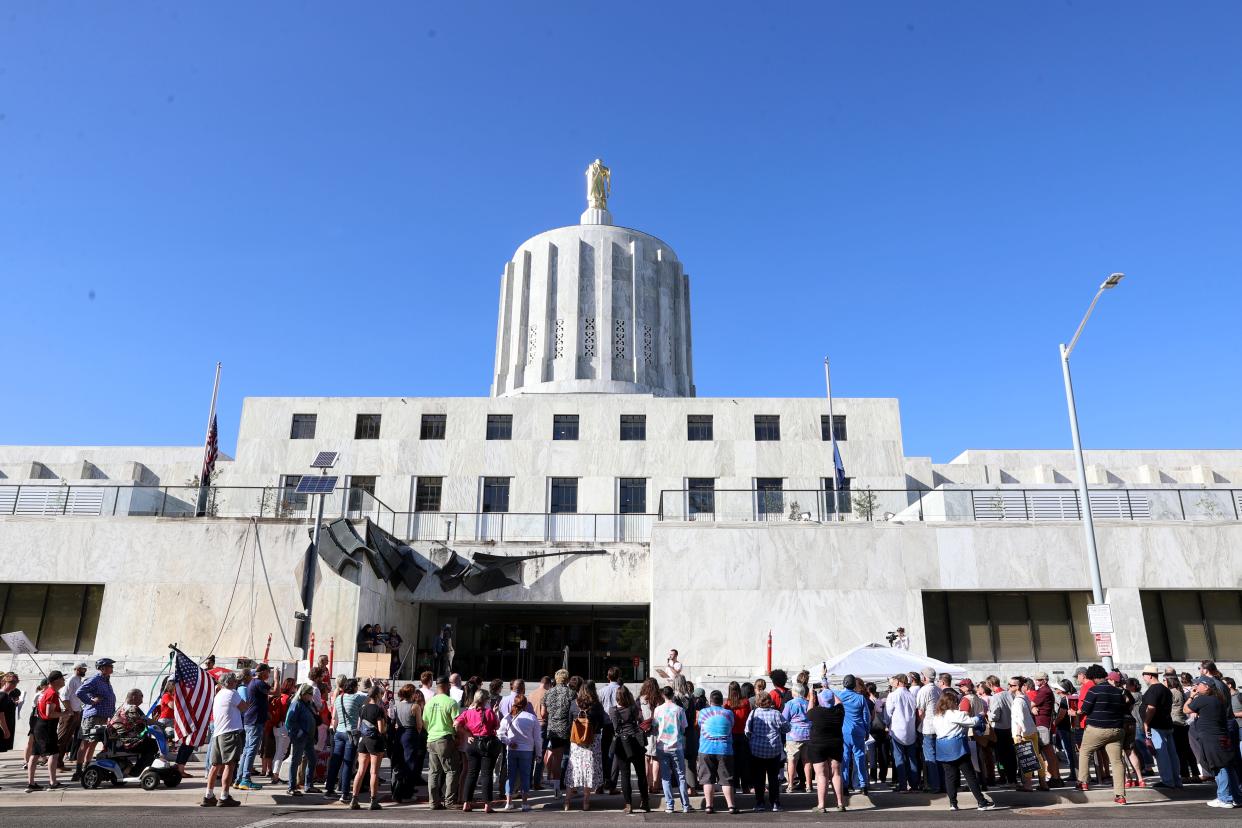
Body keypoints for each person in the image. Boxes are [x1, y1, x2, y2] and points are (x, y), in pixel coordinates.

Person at [930, 690, 996, 811]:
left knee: (950, 777)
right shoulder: (955, 713)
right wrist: (980, 716)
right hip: (957, 747)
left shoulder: (937, 716)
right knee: (970, 776)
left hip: (942, 747)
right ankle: (981, 802)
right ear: (953, 702)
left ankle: (953, 803)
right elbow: (971, 722)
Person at [1186, 676, 1242, 808]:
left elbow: (1186, 710)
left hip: (1212, 739)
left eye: (1199, 684)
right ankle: (1236, 797)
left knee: (1219, 767)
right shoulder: (1218, 700)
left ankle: (1225, 798)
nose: (1196, 687)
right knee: (1228, 766)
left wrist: (1191, 696)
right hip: (1222, 736)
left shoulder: (1202, 699)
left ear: (1206, 687)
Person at [1078, 666, 1128, 805]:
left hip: (1096, 729)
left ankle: (1083, 782)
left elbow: (1085, 710)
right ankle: (1120, 795)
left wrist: (1076, 712)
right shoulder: (1118, 692)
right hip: (1116, 730)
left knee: (1084, 752)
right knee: (1117, 762)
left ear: (1093, 677)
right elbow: (1124, 709)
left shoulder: (1093, 690)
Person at [203, 672, 248, 807]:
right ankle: (224, 796)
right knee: (230, 764)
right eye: (234, 681)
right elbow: (244, 707)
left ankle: (209, 795)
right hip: (230, 732)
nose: (236, 683)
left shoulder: (218, 695)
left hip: (218, 733)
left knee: (215, 765)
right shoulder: (231, 693)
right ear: (229, 683)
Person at [456, 689, 500, 812]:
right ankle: (487, 804)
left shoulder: (468, 713)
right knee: (486, 774)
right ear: (486, 700)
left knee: (471, 773)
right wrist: (495, 713)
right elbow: (497, 726)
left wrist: (467, 734)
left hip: (473, 742)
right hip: (487, 743)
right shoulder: (490, 712)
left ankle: (466, 802)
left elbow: (456, 724)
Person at [608, 684, 650, 814]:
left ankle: (628, 804)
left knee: (625, 775)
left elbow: (615, 727)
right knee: (641, 774)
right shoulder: (633, 708)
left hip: (621, 743)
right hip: (636, 742)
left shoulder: (613, 710)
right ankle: (645, 801)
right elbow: (639, 720)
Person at [25, 670, 68, 793]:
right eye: (62, 678)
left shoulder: (45, 692)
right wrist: (64, 713)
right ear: (55, 681)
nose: (64, 680)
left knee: (35, 755)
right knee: (54, 754)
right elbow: (50, 714)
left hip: (38, 725)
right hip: (46, 726)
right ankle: (53, 783)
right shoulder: (52, 693)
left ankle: (31, 783)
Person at [565, 683, 606, 811]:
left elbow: (568, 721)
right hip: (592, 741)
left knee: (574, 769)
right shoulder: (597, 705)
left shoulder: (573, 704)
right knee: (589, 769)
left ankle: (567, 802)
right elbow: (602, 723)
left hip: (576, 742)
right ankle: (586, 802)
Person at [697, 689, 738, 814]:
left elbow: (700, 725)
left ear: (710, 701)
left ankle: (709, 806)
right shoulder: (729, 713)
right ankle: (731, 806)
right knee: (726, 779)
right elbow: (731, 726)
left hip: (706, 748)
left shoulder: (703, 712)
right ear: (722, 701)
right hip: (724, 749)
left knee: (707, 778)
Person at [74, 657, 116, 780]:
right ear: (102, 668)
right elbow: (79, 692)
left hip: (103, 716)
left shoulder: (106, 680)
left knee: (93, 742)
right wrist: (91, 701)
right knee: (85, 742)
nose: (112, 668)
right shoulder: (95, 679)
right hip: (93, 715)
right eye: (109, 666)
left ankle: (86, 767)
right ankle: (78, 770)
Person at [807, 683, 846, 812]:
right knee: (836, 773)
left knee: (821, 774)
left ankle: (821, 805)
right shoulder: (839, 711)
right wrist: (828, 689)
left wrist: (813, 697)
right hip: (835, 744)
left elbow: (808, 712)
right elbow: (838, 701)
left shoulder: (815, 712)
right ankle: (840, 803)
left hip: (818, 745)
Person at [745, 689, 786, 811]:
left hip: (757, 750)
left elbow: (747, 731)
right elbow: (787, 728)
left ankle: (760, 802)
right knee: (773, 778)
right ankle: (775, 803)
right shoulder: (776, 714)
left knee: (759, 778)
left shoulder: (753, 713)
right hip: (774, 750)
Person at [1139, 665, 1180, 789]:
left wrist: (1146, 723)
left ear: (1149, 675)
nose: (1143, 678)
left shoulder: (1154, 689)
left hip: (1157, 726)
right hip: (1166, 724)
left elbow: (1151, 708)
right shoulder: (1165, 689)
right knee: (1171, 754)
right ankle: (1176, 780)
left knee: (1161, 754)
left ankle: (1168, 781)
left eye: (1144, 675)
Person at [348, 685, 387, 810]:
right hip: (375, 741)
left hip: (363, 740)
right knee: (374, 772)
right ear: (377, 695)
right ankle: (373, 800)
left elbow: (359, 726)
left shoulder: (363, 708)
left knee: (360, 771)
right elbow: (381, 729)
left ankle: (354, 799)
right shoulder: (378, 709)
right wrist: (387, 727)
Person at [426, 675, 462, 810]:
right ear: (447, 686)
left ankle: (433, 802)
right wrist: (457, 736)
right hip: (445, 738)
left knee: (434, 772)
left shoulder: (430, 702)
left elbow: (425, 722)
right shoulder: (451, 702)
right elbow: (456, 723)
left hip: (431, 738)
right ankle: (450, 801)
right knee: (451, 770)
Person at [324, 677, 363, 802]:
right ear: (355, 687)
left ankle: (329, 789)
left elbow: (334, 717)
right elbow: (370, 697)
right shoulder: (356, 697)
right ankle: (345, 793)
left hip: (338, 732)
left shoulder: (338, 698)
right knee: (348, 764)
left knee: (335, 762)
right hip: (350, 733)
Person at [497, 692, 537, 812]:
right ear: (525, 705)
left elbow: (499, 733)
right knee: (525, 776)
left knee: (511, 776)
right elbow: (537, 739)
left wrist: (508, 742)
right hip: (527, 750)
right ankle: (524, 803)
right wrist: (539, 753)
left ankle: (508, 803)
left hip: (512, 750)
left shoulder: (508, 717)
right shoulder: (531, 718)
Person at [235, 663, 271, 791]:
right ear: (262, 672)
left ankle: (239, 778)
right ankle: (245, 779)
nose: (270, 674)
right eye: (268, 671)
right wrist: (277, 679)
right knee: (251, 750)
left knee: (247, 750)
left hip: (250, 720)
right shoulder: (258, 683)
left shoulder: (251, 684)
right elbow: (276, 692)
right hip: (255, 721)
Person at [540, 669, 573, 798]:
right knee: (570, 758)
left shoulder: (549, 693)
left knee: (556, 759)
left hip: (554, 729)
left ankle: (556, 788)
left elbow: (543, 714)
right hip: (568, 729)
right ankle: (571, 787)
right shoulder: (571, 693)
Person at [1011, 676, 1047, 791]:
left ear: (1018, 687)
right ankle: (1043, 783)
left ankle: (1028, 785)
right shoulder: (1025, 697)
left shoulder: (1017, 701)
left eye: (1012, 685)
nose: (1009, 687)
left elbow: (1019, 720)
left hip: (1023, 732)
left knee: (1027, 759)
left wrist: (1018, 734)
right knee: (1037, 756)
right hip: (1032, 730)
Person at [837, 674, 871, 792]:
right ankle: (863, 784)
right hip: (858, 731)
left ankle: (845, 785)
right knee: (860, 758)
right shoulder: (860, 698)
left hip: (844, 732)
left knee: (845, 759)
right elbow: (867, 717)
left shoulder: (839, 696)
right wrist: (867, 731)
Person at [392, 683, 425, 803]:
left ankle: (396, 790)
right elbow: (419, 725)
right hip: (410, 733)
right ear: (411, 693)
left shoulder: (397, 705)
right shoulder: (415, 706)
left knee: (399, 763)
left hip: (399, 733)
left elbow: (395, 721)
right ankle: (407, 792)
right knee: (410, 763)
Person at [885, 673, 918, 793]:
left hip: (897, 730)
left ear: (899, 682)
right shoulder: (911, 695)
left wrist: (887, 724)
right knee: (912, 759)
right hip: (910, 730)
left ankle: (903, 785)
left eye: (894, 681)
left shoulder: (893, 695)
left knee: (899, 759)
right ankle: (914, 785)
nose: (892, 682)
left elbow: (888, 713)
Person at [282, 684, 317, 796]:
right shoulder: (296, 704)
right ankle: (291, 787)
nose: (312, 696)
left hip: (309, 737)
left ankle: (308, 785)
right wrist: (297, 732)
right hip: (300, 737)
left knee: (312, 760)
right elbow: (288, 722)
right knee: (295, 761)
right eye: (310, 694)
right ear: (304, 694)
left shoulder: (308, 704)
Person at [1030, 672, 1062, 785]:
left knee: (1048, 752)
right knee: (1048, 752)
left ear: (1044, 680)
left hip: (1042, 724)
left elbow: (1031, 704)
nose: (1036, 681)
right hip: (1043, 723)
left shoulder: (1044, 691)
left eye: (1038, 680)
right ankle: (1056, 778)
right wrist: (1033, 708)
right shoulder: (1045, 690)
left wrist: (1032, 708)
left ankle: (1056, 778)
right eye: (1035, 679)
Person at [916, 670, 945, 793]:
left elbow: (921, 712)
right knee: (939, 758)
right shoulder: (939, 689)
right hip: (939, 727)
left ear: (925, 677)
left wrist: (919, 722)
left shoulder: (924, 690)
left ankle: (935, 785)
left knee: (930, 758)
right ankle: (942, 784)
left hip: (928, 727)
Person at [781, 683, 812, 796]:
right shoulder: (808, 703)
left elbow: (784, 719)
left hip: (793, 735)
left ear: (794, 692)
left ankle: (790, 785)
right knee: (807, 760)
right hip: (808, 734)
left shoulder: (790, 704)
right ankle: (809, 785)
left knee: (792, 761)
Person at [597, 666, 622, 795]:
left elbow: (598, 707)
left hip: (606, 725)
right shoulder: (621, 690)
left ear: (608, 677)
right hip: (617, 725)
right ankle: (611, 785)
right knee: (616, 755)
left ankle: (600, 784)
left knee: (604, 754)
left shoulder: (602, 691)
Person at [57, 662, 86, 770]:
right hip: (69, 714)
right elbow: (64, 696)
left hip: (76, 712)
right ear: (77, 669)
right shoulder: (71, 680)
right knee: (62, 738)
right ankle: (56, 762)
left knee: (67, 739)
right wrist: (69, 710)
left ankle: (59, 763)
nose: (85, 671)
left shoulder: (78, 681)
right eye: (83, 669)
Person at [268, 676, 295, 785]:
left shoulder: (279, 696)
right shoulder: (288, 698)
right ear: (291, 686)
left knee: (278, 752)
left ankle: (274, 774)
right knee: (281, 752)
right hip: (284, 727)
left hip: (276, 726)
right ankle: (275, 775)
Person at [725, 681, 751, 792]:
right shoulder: (745, 702)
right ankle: (745, 786)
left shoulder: (727, 704)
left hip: (732, 735)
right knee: (744, 762)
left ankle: (734, 785)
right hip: (744, 735)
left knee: (733, 762)